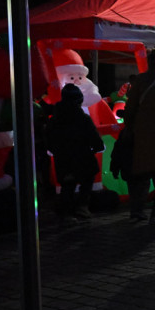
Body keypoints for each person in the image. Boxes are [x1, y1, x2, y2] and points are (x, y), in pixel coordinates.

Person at [121, 47, 155, 224]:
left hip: (142, 134)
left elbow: (129, 109)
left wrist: (131, 126)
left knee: (141, 176)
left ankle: (137, 210)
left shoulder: (141, 80)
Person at [45, 83, 104, 220]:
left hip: (63, 158)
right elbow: (93, 137)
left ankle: (66, 212)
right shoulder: (83, 118)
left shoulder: (55, 119)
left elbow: (49, 138)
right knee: (87, 179)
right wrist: (97, 146)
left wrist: (56, 150)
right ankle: (82, 207)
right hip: (82, 156)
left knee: (68, 184)